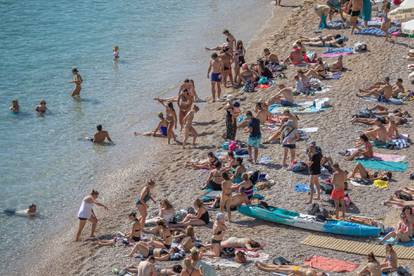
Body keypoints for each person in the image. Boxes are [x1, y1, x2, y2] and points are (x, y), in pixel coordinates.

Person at [256, 262, 325, 275]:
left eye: (321, 275)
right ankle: (266, 265)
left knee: (278, 269)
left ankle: (263, 268)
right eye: (321, 273)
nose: (320, 273)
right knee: (279, 266)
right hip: (296, 267)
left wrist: (292, 274)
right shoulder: (315, 271)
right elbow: (306, 268)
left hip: (294, 271)